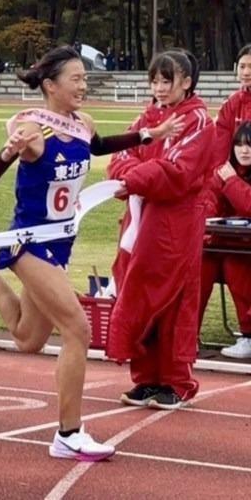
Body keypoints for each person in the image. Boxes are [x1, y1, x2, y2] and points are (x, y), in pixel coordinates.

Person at [0, 46, 182, 462]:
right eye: (76, 79)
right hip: (29, 241)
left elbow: (99, 144)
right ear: (51, 85)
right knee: (78, 330)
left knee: (28, 338)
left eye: (85, 78)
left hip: (60, 242)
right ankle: (68, 433)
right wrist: (7, 153)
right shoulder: (34, 129)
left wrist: (147, 136)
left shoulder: (82, 123)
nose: (84, 85)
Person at [107, 49, 215, 410]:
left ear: (186, 82)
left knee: (173, 297)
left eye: (166, 80)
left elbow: (178, 172)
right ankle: (147, 378)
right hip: (141, 219)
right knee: (137, 290)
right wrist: (129, 176)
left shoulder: (199, 121)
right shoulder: (149, 117)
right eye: (154, 80)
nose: (159, 87)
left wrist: (134, 178)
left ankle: (176, 380)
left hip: (176, 222)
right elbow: (121, 154)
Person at [199, 122, 251, 358]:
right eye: (239, 145)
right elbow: (208, 204)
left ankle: (249, 335)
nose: (244, 150)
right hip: (227, 243)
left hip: (241, 249)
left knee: (236, 264)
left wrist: (231, 182)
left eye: (249, 145)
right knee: (200, 263)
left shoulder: (230, 176)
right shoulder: (224, 171)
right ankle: (186, 336)